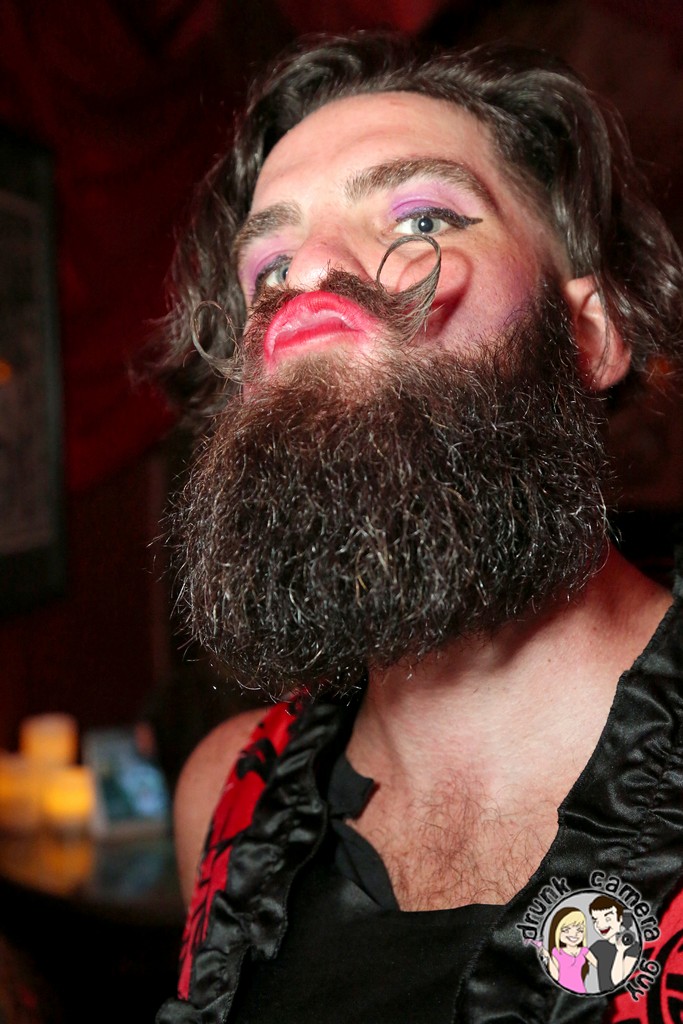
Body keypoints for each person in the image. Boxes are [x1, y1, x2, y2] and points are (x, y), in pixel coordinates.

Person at [156, 31, 683, 1024]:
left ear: (589, 333)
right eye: (267, 267)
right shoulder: (223, 796)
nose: (309, 274)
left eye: (423, 216)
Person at [588, 895, 642, 992]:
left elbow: (617, 981)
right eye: (595, 920)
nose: (600, 925)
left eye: (608, 919)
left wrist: (620, 951)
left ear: (620, 918)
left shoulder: (633, 947)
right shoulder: (598, 946)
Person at [543, 907, 597, 995]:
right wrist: (548, 957)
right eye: (566, 930)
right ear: (557, 931)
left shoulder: (584, 951)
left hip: (580, 991)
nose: (574, 934)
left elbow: (600, 966)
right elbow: (555, 976)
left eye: (580, 930)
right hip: (562, 993)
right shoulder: (556, 952)